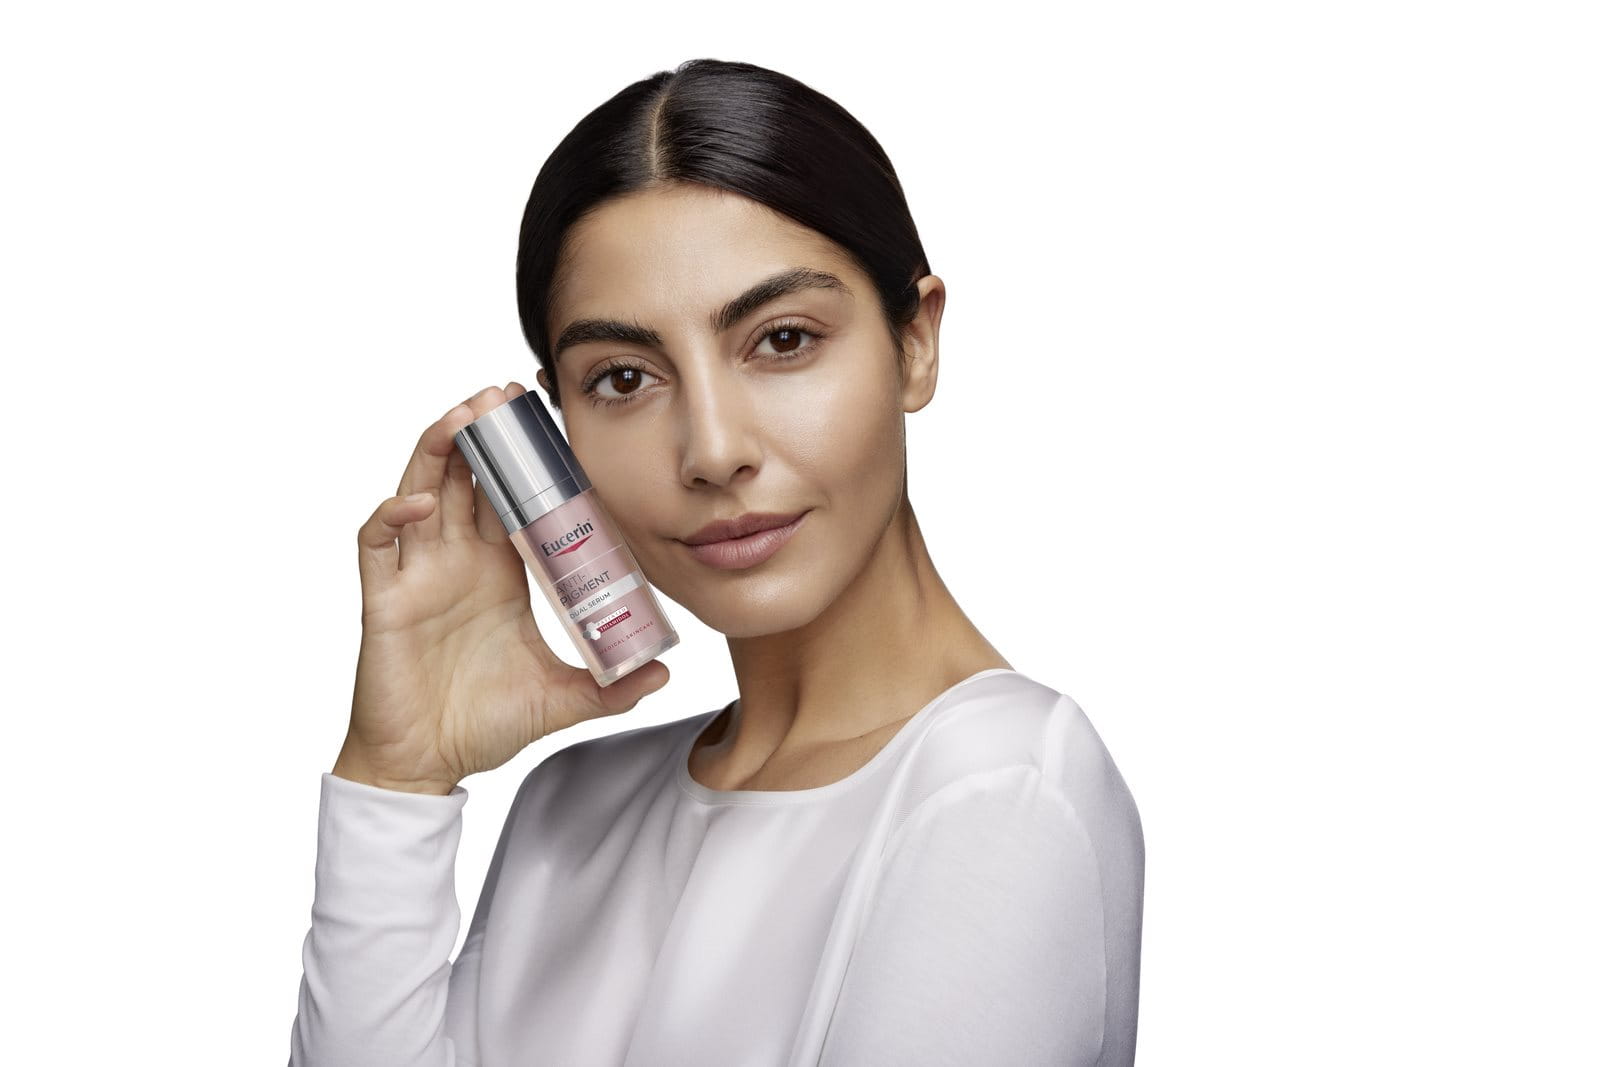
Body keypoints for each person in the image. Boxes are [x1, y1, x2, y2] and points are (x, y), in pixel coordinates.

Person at [288, 58, 1144, 1066]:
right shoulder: (573, 805)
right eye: (623, 378)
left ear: (914, 342)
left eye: (781, 340)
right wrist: (398, 773)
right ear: (559, 433)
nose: (712, 449)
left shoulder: (999, 787)